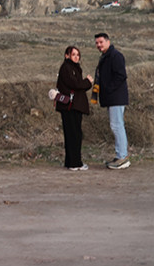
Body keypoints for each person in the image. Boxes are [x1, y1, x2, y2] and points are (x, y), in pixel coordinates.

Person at [94, 33, 130, 169]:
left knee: (117, 126)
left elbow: (121, 75)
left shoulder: (115, 56)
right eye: (97, 43)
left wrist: (108, 88)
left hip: (116, 97)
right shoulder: (106, 57)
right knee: (116, 126)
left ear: (108, 41)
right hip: (112, 97)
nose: (99, 45)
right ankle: (120, 154)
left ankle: (122, 157)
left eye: (101, 42)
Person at [55, 46, 93, 171]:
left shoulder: (73, 68)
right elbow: (76, 84)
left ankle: (71, 162)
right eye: (73, 54)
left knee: (73, 134)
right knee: (74, 135)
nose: (76, 57)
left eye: (78, 55)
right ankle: (75, 163)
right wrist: (87, 82)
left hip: (72, 106)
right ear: (67, 55)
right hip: (70, 107)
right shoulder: (67, 68)